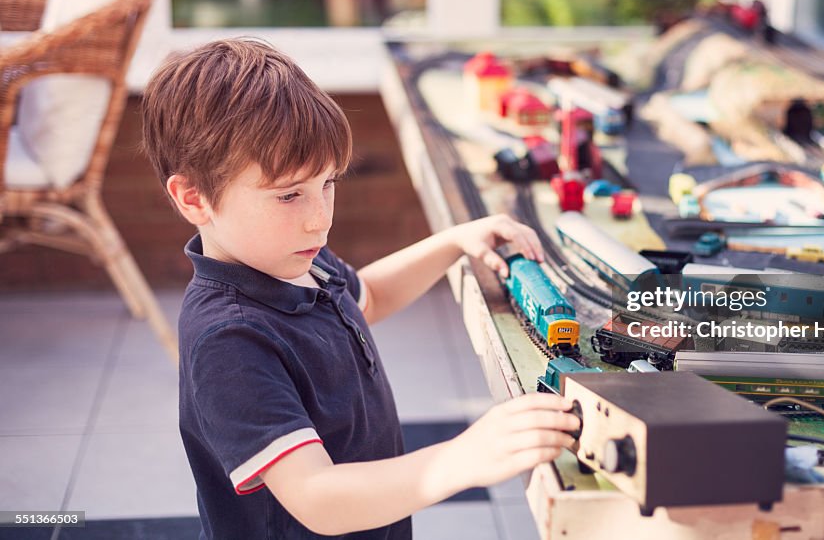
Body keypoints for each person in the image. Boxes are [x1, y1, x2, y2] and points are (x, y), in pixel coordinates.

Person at [140, 39, 579, 539]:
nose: (319, 219)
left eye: (328, 184)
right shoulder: (229, 341)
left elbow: (370, 295)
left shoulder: (290, 260)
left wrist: (454, 242)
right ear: (194, 199)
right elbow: (318, 498)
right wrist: (464, 457)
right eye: (289, 195)